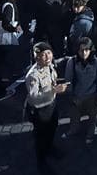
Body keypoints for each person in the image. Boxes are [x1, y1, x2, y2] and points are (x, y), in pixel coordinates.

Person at [25, 42, 67, 173]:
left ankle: (50, 148)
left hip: (51, 105)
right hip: (40, 110)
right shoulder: (32, 75)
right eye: (43, 55)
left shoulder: (50, 65)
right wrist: (54, 91)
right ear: (37, 57)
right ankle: (41, 162)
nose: (47, 57)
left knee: (52, 129)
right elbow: (34, 97)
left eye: (49, 53)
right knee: (40, 137)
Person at [63, 37, 97, 145]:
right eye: (81, 50)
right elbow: (68, 81)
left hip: (91, 96)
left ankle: (90, 135)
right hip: (76, 96)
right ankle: (73, 130)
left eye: (86, 50)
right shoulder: (71, 62)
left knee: (92, 118)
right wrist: (71, 97)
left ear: (91, 50)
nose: (84, 53)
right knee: (74, 117)